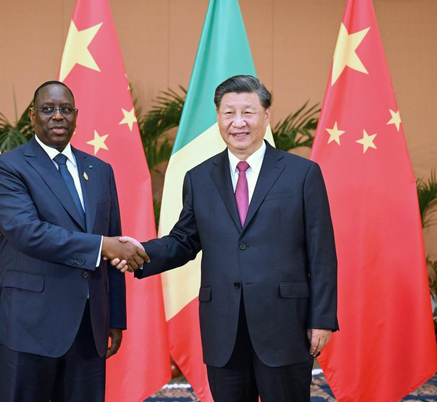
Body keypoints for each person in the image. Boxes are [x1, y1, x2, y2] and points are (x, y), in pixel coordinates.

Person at [116, 75, 338, 401]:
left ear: (266, 116)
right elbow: (183, 241)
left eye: (248, 112)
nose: (238, 122)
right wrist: (140, 252)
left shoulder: (302, 174)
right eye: (228, 113)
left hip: (285, 325)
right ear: (218, 118)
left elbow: (322, 253)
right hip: (224, 328)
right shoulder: (200, 177)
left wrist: (322, 319)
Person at [0, 81, 148, 402]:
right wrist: (102, 245)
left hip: (89, 327)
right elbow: (27, 233)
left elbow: (113, 241)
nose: (58, 116)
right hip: (27, 325)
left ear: (76, 116)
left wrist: (114, 318)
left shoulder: (100, 170)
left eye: (65, 110)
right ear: (33, 116)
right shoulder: (7, 168)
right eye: (48, 109)